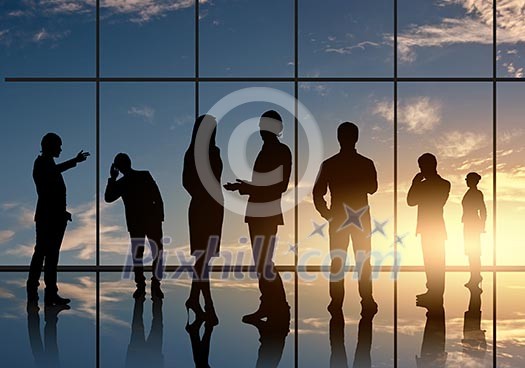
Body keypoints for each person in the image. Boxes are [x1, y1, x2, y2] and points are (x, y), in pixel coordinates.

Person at [224, 110, 291, 323]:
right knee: (261, 261)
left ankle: (279, 305)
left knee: (264, 261)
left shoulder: (281, 151)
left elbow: (279, 185)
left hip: (267, 213)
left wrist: (246, 188)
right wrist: (243, 187)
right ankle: (270, 304)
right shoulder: (266, 150)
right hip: (257, 212)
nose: (261, 130)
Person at [312, 122, 378, 314]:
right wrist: (327, 213)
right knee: (359, 260)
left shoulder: (331, 164)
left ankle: (346, 301)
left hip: (343, 219)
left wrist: (327, 213)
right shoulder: (365, 163)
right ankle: (363, 300)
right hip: (354, 219)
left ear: (339, 138)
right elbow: (372, 188)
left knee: (342, 261)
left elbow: (318, 194)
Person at [27, 132, 90, 307]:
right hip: (48, 218)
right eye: (58, 145)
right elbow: (49, 190)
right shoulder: (42, 164)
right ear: (50, 146)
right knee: (42, 254)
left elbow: (53, 193)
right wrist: (74, 161)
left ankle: (50, 294)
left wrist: (63, 212)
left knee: (50, 256)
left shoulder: (47, 164)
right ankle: (34, 291)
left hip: (54, 217)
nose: (61, 148)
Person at [104, 153, 165, 299]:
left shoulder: (124, 182)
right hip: (147, 222)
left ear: (117, 167)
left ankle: (145, 286)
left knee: (141, 255)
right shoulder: (141, 176)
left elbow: (108, 197)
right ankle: (152, 285)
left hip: (143, 222)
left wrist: (113, 178)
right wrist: (160, 217)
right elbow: (157, 196)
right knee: (153, 253)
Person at [183, 114, 223, 325]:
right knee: (202, 258)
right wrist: (202, 194)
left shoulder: (214, 152)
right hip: (201, 208)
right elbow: (186, 181)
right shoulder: (192, 154)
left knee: (205, 259)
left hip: (215, 209)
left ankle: (192, 299)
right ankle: (208, 304)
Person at [407, 153, 450, 306]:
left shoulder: (443, 184)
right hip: (430, 227)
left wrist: (416, 184)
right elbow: (411, 202)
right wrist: (416, 184)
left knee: (435, 261)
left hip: (433, 227)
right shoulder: (443, 184)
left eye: (422, 166)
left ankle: (436, 293)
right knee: (431, 261)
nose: (421, 169)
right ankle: (433, 291)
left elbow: (411, 201)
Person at [461, 172, 486, 288]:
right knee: (471, 252)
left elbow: (483, 209)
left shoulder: (477, 193)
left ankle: (475, 276)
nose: (466, 181)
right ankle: (474, 276)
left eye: (467, 179)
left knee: (474, 252)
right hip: (468, 223)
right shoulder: (470, 192)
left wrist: (482, 225)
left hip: (473, 224)